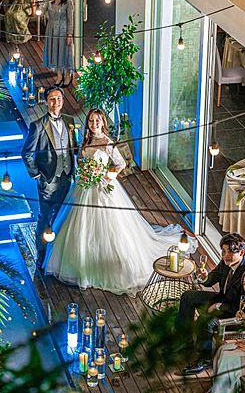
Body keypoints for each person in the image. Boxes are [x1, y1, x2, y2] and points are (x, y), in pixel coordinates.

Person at [45, 109, 188, 296]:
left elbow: (121, 164)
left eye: (97, 121)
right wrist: (85, 171)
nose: (94, 124)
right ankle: (81, 266)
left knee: (111, 227)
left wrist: (106, 175)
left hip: (103, 187)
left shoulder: (108, 143)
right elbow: (80, 160)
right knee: (80, 225)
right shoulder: (86, 141)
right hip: (85, 186)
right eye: (91, 121)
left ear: (103, 122)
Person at [175, 233, 245, 375]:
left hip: (234, 314)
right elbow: (212, 278)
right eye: (223, 251)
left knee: (205, 321)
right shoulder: (226, 261)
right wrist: (205, 277)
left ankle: (205, 359)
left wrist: (218, 306)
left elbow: (244, 308)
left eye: (230, 252)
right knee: (188, 297)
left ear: (241, 252)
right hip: (222, 299)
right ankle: (185, 340)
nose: (225, 256)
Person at [21, 87, 77, 270]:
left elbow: (73, 147)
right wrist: (37, 174)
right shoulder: (38, 125)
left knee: (61, 214)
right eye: (52, 99)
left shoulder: (69, 120)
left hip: (67, 176)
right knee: (44, 216)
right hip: (48, 179)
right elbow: (26, 153)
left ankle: (58, 252)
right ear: (46, 102)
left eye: (59, 98)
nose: (56, 102)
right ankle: (41, 253)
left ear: (63, 100)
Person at [40, 0, 75, 86]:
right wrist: (39, 6)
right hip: (51, 29)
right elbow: (42, 11)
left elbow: (70, 19)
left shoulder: (68, 1)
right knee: (55, 51)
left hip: (63, 30)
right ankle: (59, 75)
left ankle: (68, 74)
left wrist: (70, 34)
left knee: (65, 52)